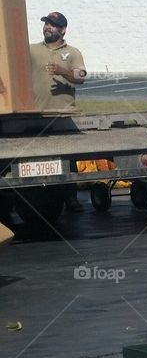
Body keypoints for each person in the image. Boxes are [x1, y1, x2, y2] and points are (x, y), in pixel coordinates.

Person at [29, 12, 87, 212]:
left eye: (53, 25)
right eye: (46, 23)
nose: (47, 27)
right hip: (34, 113)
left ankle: (71, 198)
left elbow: (81, 76)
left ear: (63, 30)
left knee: (67, 158)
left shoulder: (72, 52)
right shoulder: (32, 50)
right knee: (35, 156)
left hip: (63, 115)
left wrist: (63, 71)